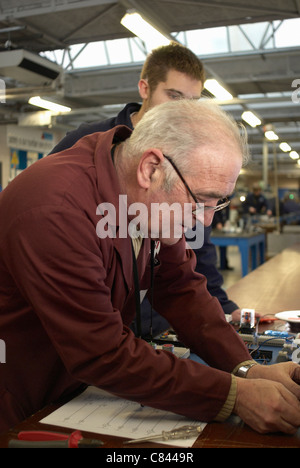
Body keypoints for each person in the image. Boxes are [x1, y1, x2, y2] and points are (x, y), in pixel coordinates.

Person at [0, 99, 300, 436]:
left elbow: (181, 287)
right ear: (150, 168)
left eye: (218, 203)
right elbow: (103, 353)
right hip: (21, 403)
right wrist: (234, 396)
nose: (205, 220)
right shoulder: (55, 210)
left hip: (73, 391)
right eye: (201, 201)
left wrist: (245, 368)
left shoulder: (145, 196)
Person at [50, 42, 241, 325]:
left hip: (162, 314)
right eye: (173, 95)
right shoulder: (88, 142)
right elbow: (52, 215)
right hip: (96, 309)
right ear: (145, 88)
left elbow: (197, 241)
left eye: (192, 101)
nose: (183, 109)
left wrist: (223, 307)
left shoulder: (191, 154)